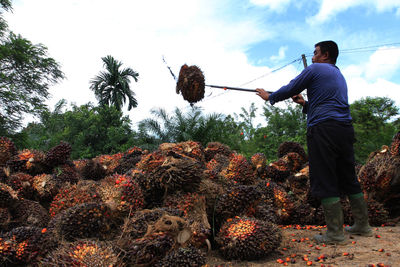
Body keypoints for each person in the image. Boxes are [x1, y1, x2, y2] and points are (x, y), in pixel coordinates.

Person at [256, 40, 372, 244]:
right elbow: (328, 105)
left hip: (323, 130)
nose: (312, 57)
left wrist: (270, 96)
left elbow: (291, 86)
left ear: (325, 55)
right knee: (348, 175)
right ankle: (363, 225)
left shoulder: (315, 69)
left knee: (325, 176)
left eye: (315, 52)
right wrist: (305, 103)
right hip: (343, 129)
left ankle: (335, 233)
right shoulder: (338, 75)